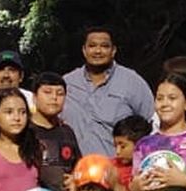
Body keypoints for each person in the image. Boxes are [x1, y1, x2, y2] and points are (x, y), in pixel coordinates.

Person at [62, 26, 154, 157]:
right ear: (84, 50)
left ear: (113, 50)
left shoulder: (132, 82)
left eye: (104, 46)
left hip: (118, 172)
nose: (98, 51)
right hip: (73, 172)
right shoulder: (67, 83)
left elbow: (151, 124)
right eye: (92, 46)